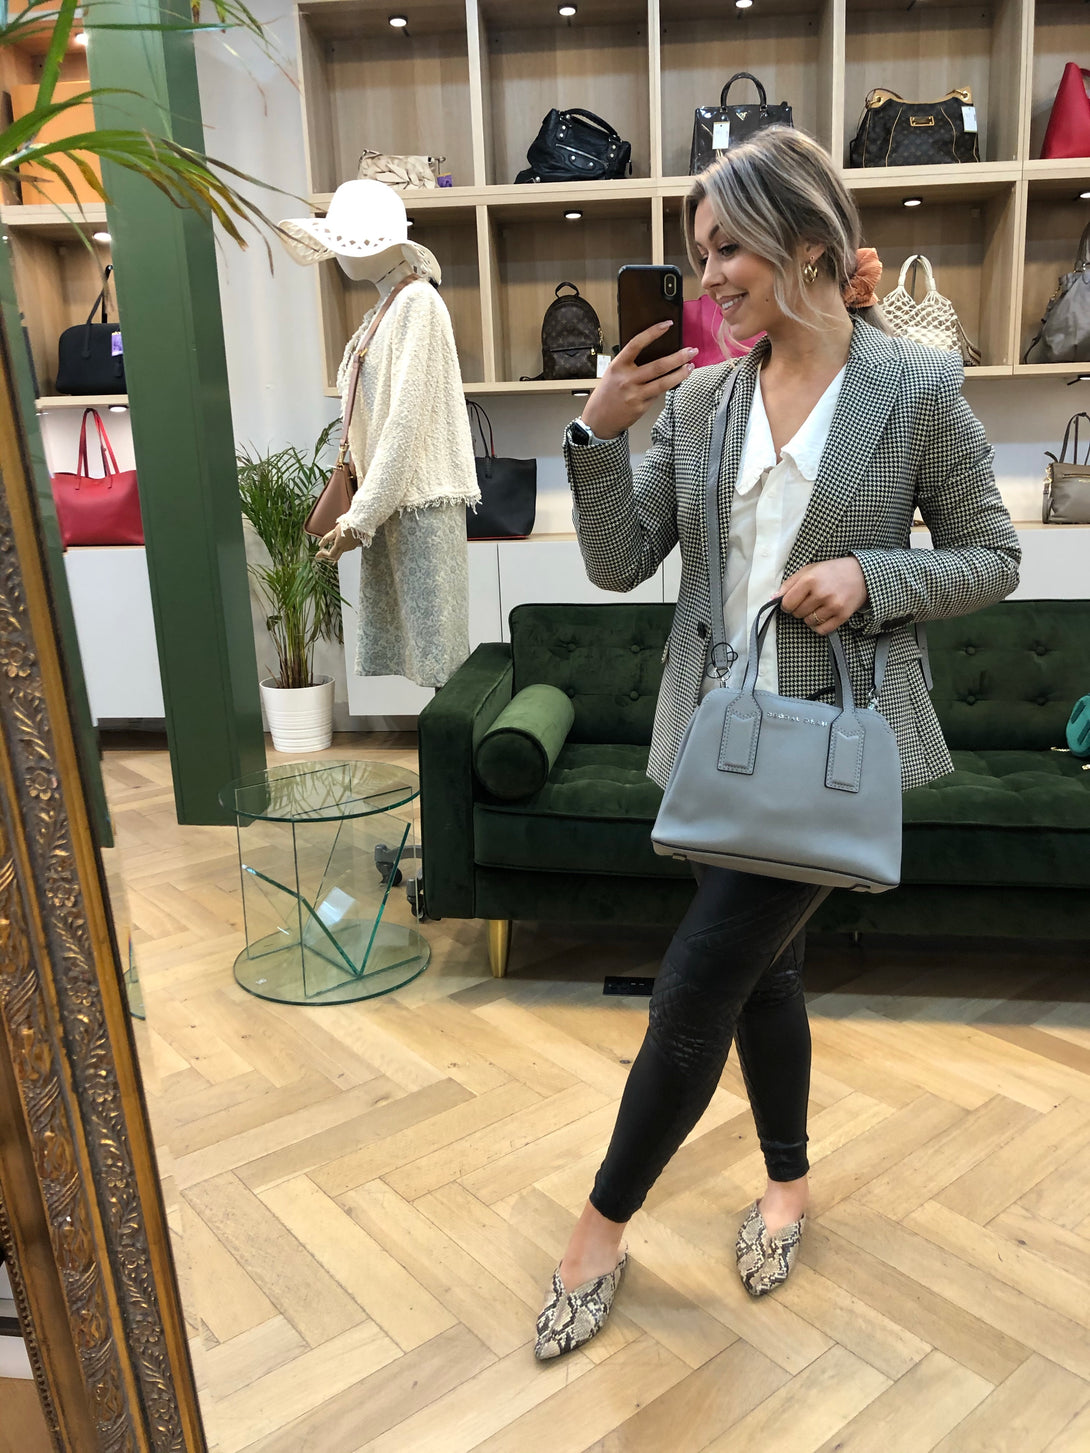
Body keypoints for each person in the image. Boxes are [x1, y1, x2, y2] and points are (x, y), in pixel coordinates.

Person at [536, 127, 1020, 1361]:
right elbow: (620, 562)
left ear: (806, 244)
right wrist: (596, 433)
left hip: (832, 744)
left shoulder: (912, 387)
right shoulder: (705, 398)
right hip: (719, 740)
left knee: (695, 985)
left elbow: (992, 557)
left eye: (726, 250)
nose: (707, 278)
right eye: (699, 255)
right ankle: (789, 1182)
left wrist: (872, 576)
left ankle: (599, 1228)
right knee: (767, 976)